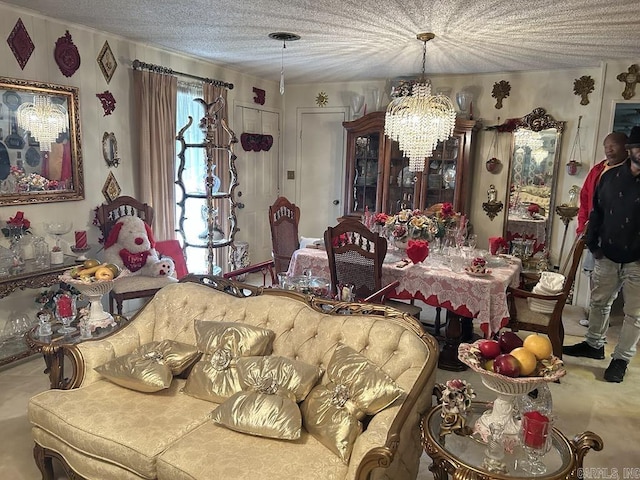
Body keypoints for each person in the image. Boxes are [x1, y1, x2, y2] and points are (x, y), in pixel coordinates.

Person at [563, 126, 640, 383]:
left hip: (638, 261)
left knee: (634, 314)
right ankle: (594, 345)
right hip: (606, 251)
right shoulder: (609, 176)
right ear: (631, 150)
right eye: (638, 148)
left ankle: (621, 359)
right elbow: (595, 211)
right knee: (599, 302)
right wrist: (593, 245)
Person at [575, 132, 628, 326]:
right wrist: (582, 227)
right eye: (606, 146)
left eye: (614, 145)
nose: (609, 149)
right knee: (593, 274)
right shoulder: (598, 169)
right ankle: (595, 321)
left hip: (621, 237)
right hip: (595, 232)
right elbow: (584, 198)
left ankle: (607, 321)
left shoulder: (631, 171)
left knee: (618, 283)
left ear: (626, 147)